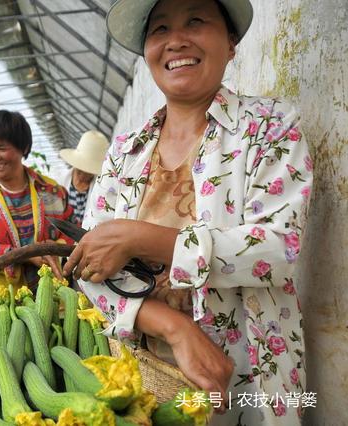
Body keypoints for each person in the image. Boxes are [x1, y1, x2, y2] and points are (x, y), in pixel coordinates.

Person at [62, 0, 313, 424]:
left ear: (231, 42)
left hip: (246, 381)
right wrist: (175, 329)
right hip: (143, 383)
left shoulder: (269, 128)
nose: (176, 40)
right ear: (146, 53)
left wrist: (140, 238)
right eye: (159, 30)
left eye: (196, 20)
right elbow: (90, 268)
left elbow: (278, 249)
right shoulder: (124, 152)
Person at [0, 110, 74, 292]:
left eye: (2, 148)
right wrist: (28, 255)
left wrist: (51, 250)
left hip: (52, 293)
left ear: (24, 148)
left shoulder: (52, 191)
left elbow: (71, 233)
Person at [52, 130, 109, 225]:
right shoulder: (59, 182)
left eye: (88, 172)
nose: (82, 176)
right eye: (80, 170)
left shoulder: (101, 188)